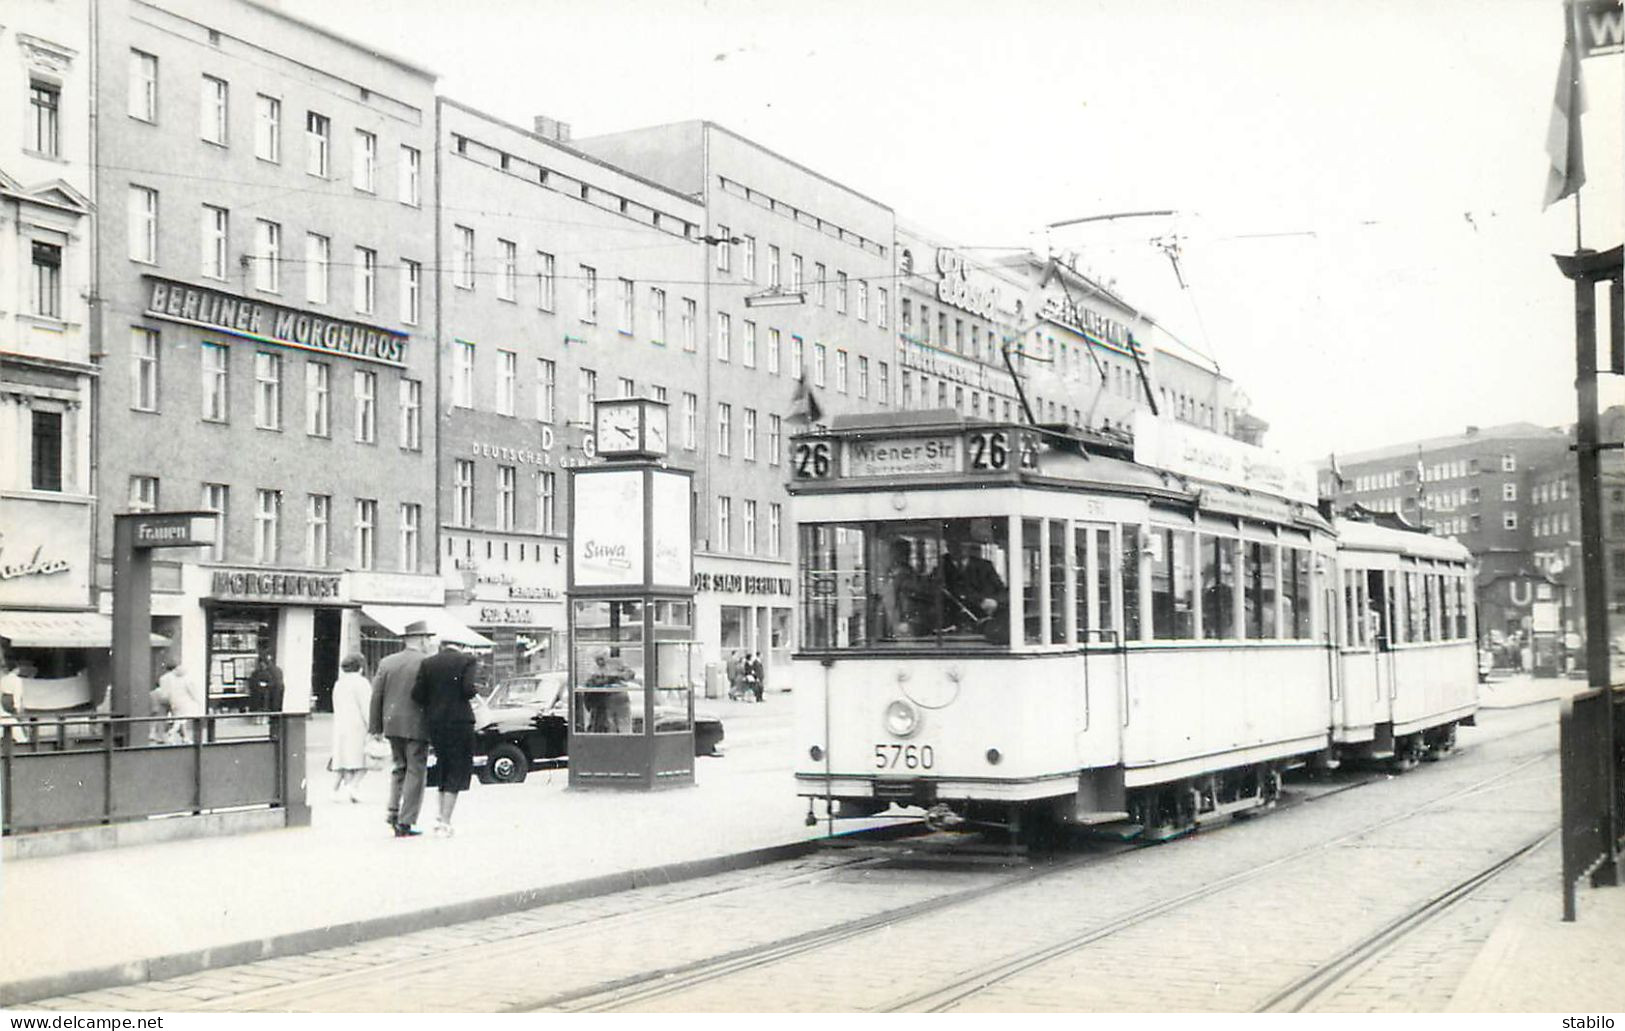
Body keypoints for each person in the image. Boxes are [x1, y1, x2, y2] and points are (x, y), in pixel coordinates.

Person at [412, 636, 481, 837]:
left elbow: (417, 694)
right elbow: (468, 689)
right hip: (460, 721)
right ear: (461, 645)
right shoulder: (467, 660)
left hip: (435, 722)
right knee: (457, 770)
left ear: (442, 646)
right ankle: (445, 821)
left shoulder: (428, 662)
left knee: (443, 766)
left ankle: (439, 817)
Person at [370, 622, 434, 837]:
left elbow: (376, 696)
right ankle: (406, 821)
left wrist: (375, 727)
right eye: (428, 639)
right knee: (416, 771)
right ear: (422, 639)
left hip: (392, 724)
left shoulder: (387, 662)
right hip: (417, 724)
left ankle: (393, 810)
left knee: (399, 767)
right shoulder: (427, 663)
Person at [330, 654, 372, 802]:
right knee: (365, 760)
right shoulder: (362, 683)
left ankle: (337, 791)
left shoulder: (339, 683)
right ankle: (353, 786)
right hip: (358, 727)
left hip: (341, 725)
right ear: (361, 667)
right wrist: (373, 727)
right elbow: (366, 708)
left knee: (344, 760)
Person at [879, 539, 930, 638]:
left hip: (902, 629)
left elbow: (905, 603)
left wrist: (902, 622)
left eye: (889, 553)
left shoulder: (905, 577)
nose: (884, 558)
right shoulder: (893, 575)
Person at [245, 652, 284, 720]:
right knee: (275, 709)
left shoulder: (263, 672)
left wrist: (263, 685)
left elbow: (254, 682)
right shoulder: (277, 670)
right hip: (276, 693)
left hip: (267, 694)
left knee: (269, 707)